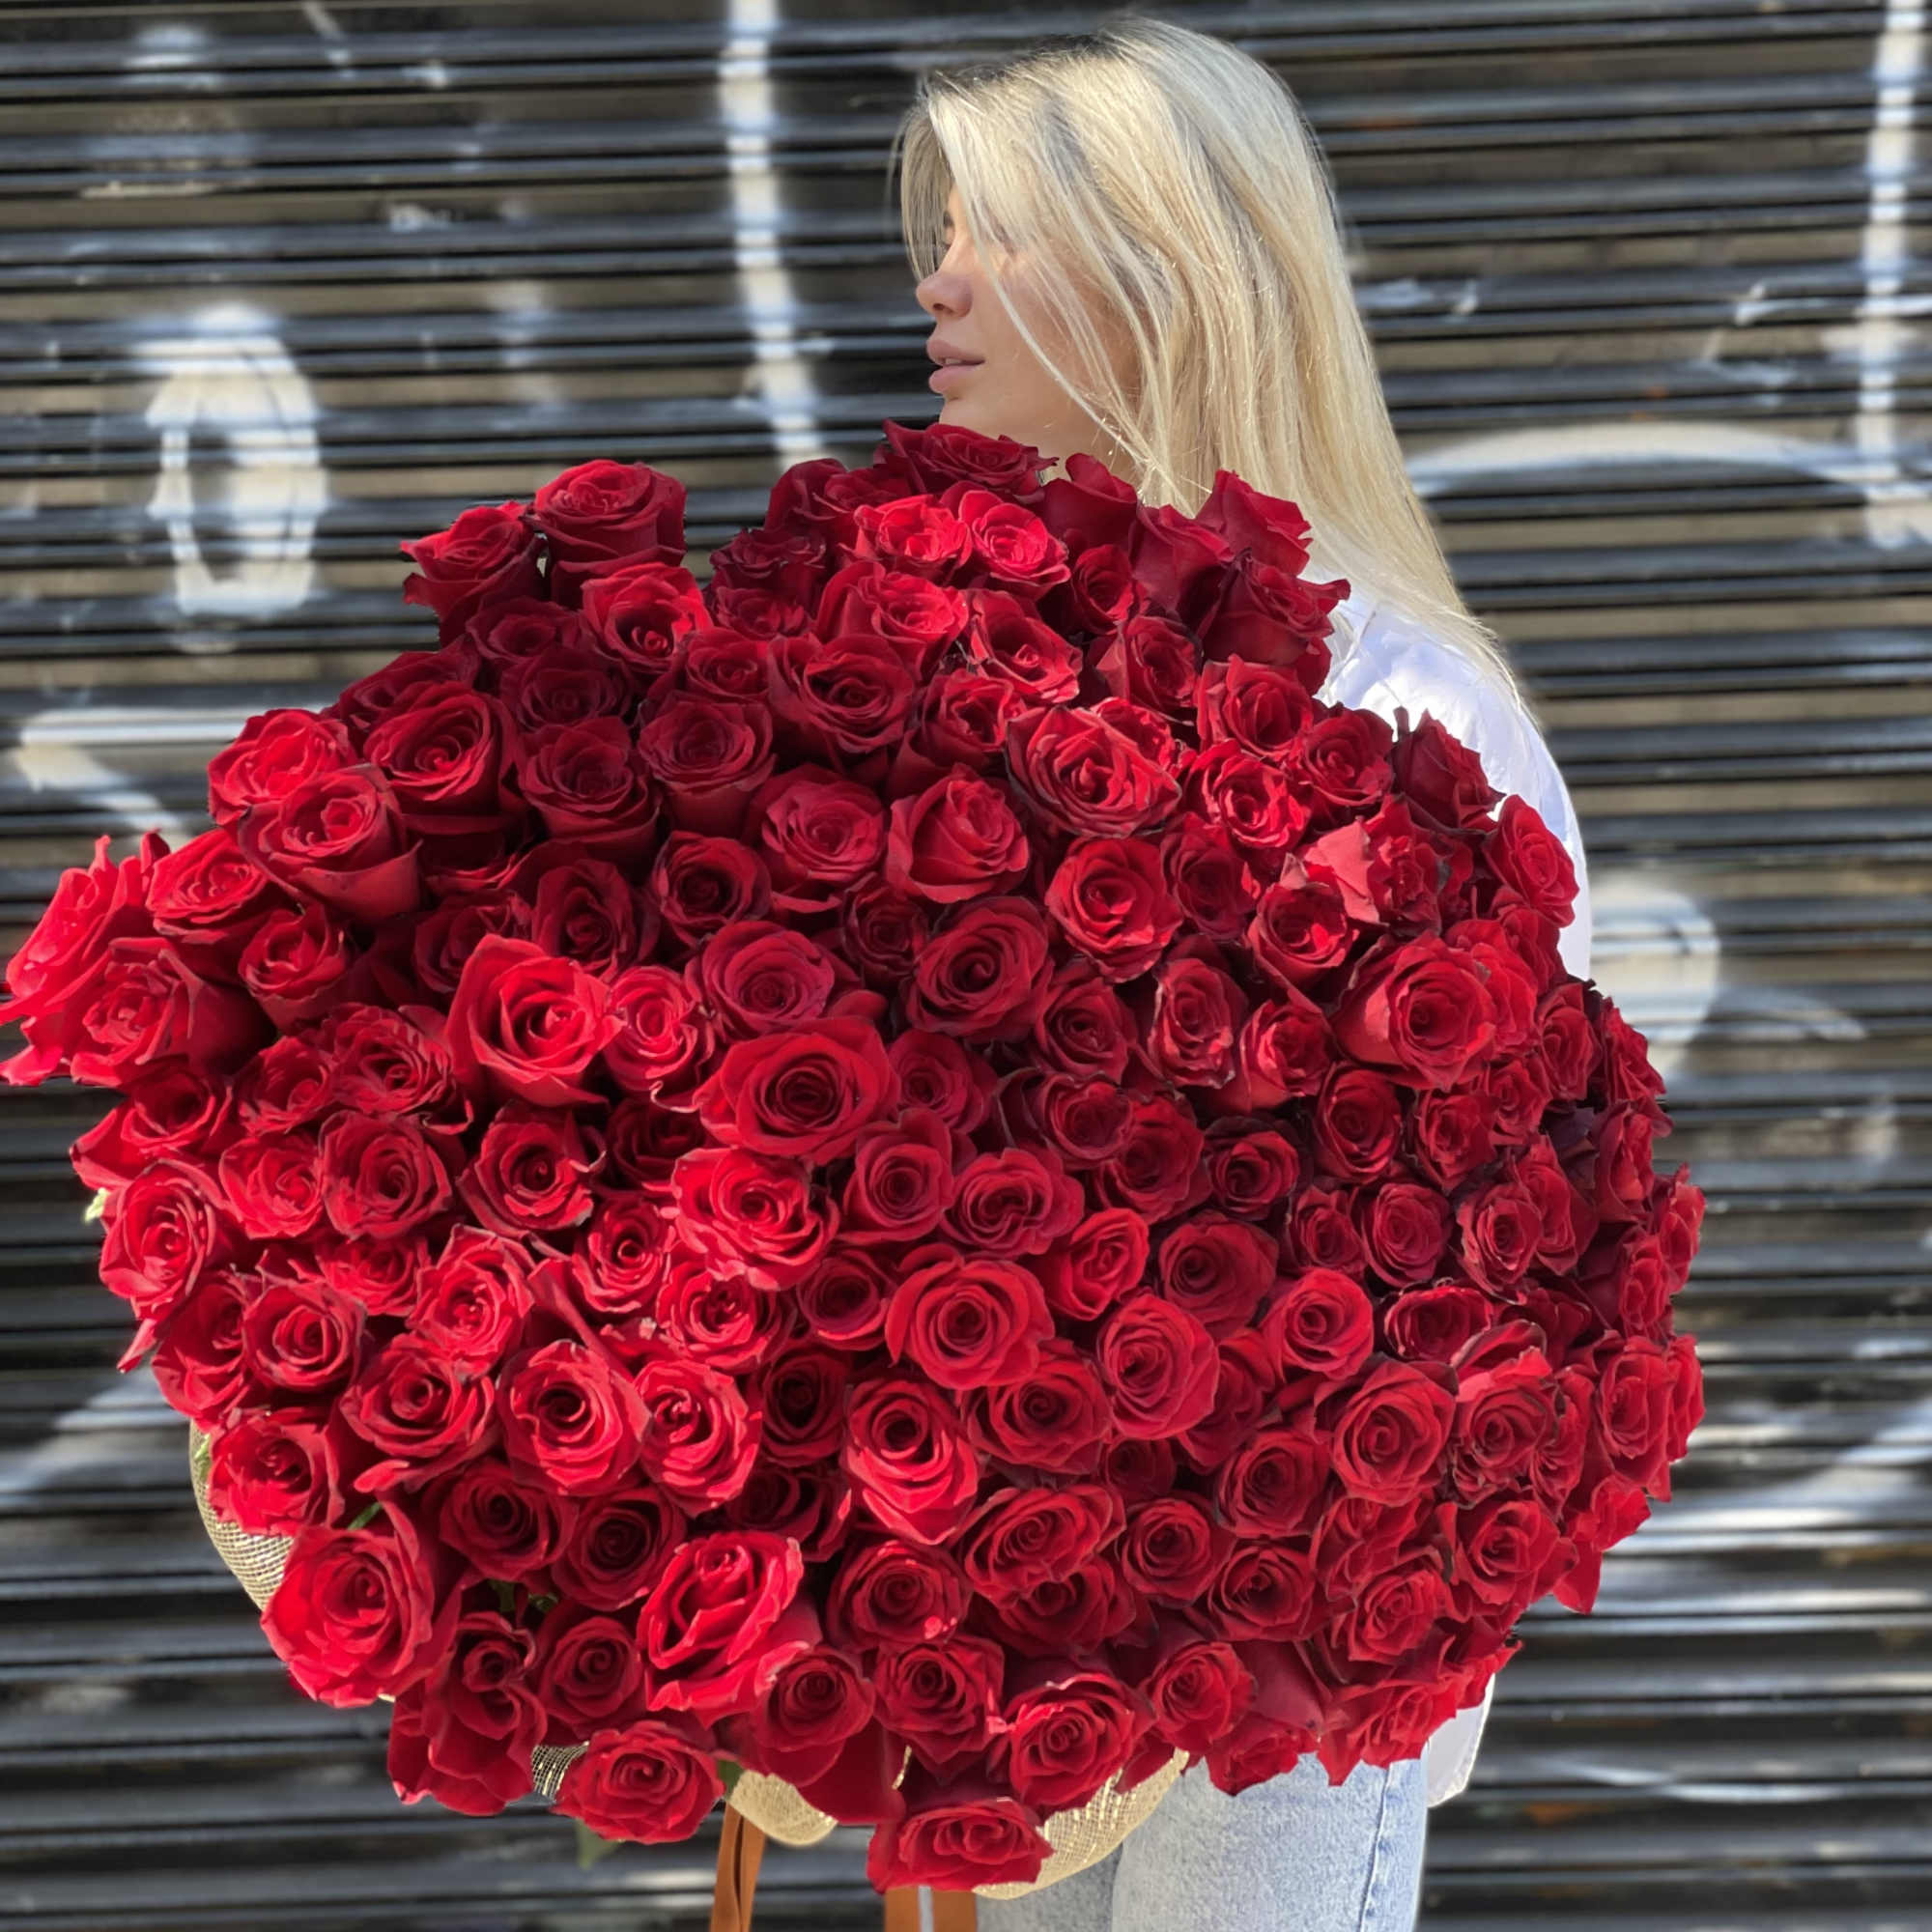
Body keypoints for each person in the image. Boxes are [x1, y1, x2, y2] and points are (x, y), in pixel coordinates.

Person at [898, 14, 1592, 1931]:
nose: (935, 282)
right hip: (1022, 1615)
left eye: (991, 233)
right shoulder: (978, 671)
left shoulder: (1400, 704)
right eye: (936, 234)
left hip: (1295, 1636)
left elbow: (1499, 1231)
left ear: (1160, 275)